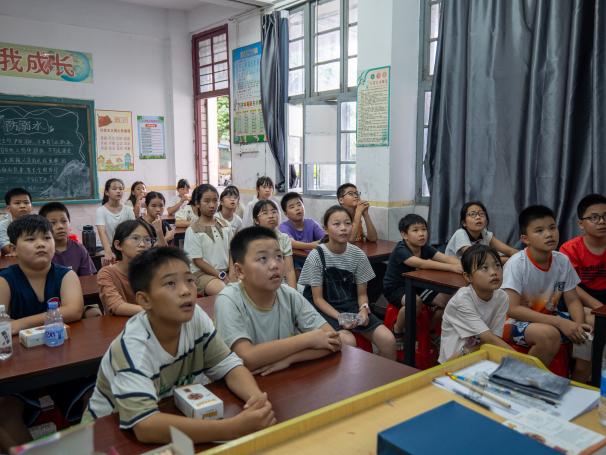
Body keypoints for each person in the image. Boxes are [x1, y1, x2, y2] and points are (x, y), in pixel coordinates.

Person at [83, 247, 276, 444]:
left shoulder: (195, 317)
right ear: (144, 300)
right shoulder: (133, 348)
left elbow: (229, 365)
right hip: (105, 435)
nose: (186, 291)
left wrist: (257, 401)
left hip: (168, 411)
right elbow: (145, 426)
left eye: (189, 280)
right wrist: (232, 428)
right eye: (170, 283)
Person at [0, 215, 86, 452]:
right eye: (30, 239)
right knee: (4, 408)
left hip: (65, 361)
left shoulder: (65, 274)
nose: (41, 244)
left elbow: (74, 310)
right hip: (19, 368)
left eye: (46, 238)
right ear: (13, 249)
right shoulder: (5, 280)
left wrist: (18, 324)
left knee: (94, 392)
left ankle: (85, 446)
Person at [215, 226, 341, 375]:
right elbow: (246, 358)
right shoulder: (228, 299)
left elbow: (335, 341)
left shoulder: (289, 294)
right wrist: (308, 339)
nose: (275, 265)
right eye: (263, 258)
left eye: (279, 256)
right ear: (240, 271)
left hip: (282, 378)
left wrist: (290, 359)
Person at [502, 205, 592, 382]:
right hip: (510, 322)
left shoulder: (562, 260)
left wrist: (578, 325)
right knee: (549, 335)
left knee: (592, 326)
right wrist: (560, 322)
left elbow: (573, 300)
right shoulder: (517, 264)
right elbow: (512, 309)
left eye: (552, 227)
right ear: (525, 239)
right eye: (540, 230)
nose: (549, 234)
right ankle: (522, 382)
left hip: (547, 316)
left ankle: (578, 382)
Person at [298, 206, 396, 360]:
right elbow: (318, 299)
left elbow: (362, 295)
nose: (343, 228)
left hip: (349, 306)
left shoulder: (358, 255)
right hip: (322, 308)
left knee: (388, 340)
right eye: (336, 224)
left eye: (347, 223)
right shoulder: (317, 255)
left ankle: (378, 375)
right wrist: (340, 317)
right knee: (347, 340)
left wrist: (364, 309)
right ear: (326, 229)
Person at [383, 214, 463, 348]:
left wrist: (466, 265)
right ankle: (397, 331)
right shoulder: (401, 249)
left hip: (419, 285)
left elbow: (446, 258)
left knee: (448, 300)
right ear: (404, 235)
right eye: (415, 230)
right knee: (415, 302)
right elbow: (422, 264)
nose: (421, 234)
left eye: (424, 229)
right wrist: (452, 268)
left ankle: (430, 331)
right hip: (396, 288)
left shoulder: (424, 247)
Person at [439, 245, 512, 362]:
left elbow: (495, 338)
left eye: (497, 265)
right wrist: (522, 360)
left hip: (482, 355)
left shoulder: (502, 297)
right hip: (454, 361)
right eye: (484, 268)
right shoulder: (462, 299)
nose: (494, 272)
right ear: (468, 277)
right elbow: (489, 338)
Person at [560, 194, 606, 314]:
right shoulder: (569, 249)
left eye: (605, 216)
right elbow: (570, 286)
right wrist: (599, 307)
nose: (602, 221)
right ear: (581, 224)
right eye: (594, 217)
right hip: (582, 296)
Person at [183, 184, 232, 296]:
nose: (212, 205)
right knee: (225, 292)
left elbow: (231, 251)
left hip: (226, 271)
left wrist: (232, 273)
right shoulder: (193, 230)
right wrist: (221, 275)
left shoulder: (225, 225)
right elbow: (198, 261)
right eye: (207, 201)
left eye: (215, 200)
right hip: (202, 274)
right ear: (197, 203)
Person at [98, 220, 155, 316]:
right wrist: (156, 311)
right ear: (118, 245)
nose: (142, 244)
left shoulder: (154, 270)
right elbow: (117, 306)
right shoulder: (107, 273)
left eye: (147, 240)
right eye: (135, 238)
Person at [445, 201, 518, 260]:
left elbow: (510, 251)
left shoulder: (485, 233)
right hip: (454, 271)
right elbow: (475, 258)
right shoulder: (460, 233)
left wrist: (521, 256)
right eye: (473, 214)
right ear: (464, 223)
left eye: (481, 213)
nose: (478, 217)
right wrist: (510, 259)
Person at [39, 202, 96, 276]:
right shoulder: (41, 250)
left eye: (64, 221)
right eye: (53, 223)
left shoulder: (79, 249)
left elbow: (87, 277)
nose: (60, 226)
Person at [252, 199, 297, 289]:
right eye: (265, 213)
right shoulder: (251, 240)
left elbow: (289, 271)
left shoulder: (284, 238)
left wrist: (293, 293)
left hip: (281, 283)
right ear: (256, 220)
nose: (271, 216)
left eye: (274, 212)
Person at [96, 178, 136, 265]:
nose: (118, 191)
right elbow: (101, 232)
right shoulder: (101, 211)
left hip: (123, 246)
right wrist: (108, 251)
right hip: (105, 246)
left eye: (121, 189)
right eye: (114, 189)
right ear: (107, 192)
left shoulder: (128, 210)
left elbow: (134, 231)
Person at [0, 187, 33, 256]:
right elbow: (7, 248)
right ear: (8, 208)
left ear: (31, 206)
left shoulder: (38, 222)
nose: (22, 206)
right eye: (17, 203)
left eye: (26, 202)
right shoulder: (3, 225)